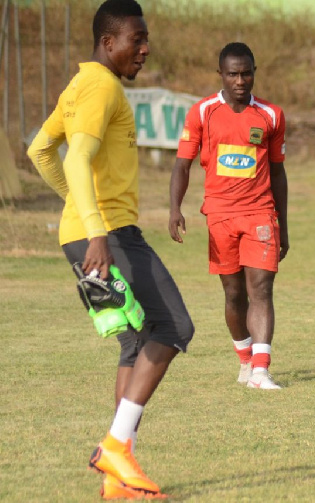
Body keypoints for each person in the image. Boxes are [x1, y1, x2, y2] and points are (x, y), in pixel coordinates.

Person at [27, 0, 194, 499]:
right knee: (173, 327)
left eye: (146, 40)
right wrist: (96, 227)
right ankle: (116, 447)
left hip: (84, 232)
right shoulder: (100, 87)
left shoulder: (78, 85)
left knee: (134, 342)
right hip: (109, 236)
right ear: (108, 42)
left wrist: (79, 213)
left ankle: (116, 479)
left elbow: (39, 148)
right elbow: (75, 157)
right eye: (135, 40)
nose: (144, 50)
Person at [169, 42, 288, 390]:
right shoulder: (202, 112)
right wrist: (175, 207)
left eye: (246, 73)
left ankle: (261, 372)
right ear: (221, 74)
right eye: (233, 74)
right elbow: (182, 164)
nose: (240, 80)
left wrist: (285, 224)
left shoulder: (272, 115)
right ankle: (245, 359)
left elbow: (278, 174)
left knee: (261, 289)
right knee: (234, 293)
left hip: (260, 214)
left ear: (254, 72)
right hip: (219, 216)